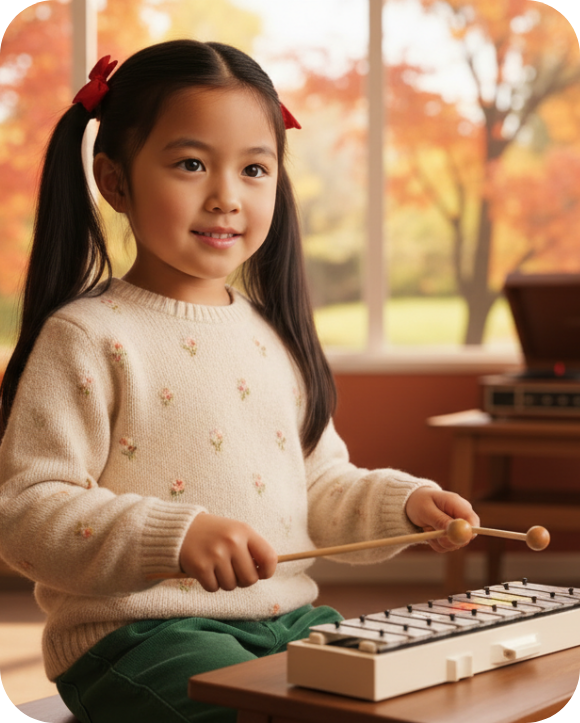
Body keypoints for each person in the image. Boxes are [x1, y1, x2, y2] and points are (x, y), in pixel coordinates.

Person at [0, 40, 479, 723]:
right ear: (114, 181)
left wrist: (406, 507)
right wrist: (174, 536)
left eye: (254, 168)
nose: (226, 196)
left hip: (287, 620)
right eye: (191, 163)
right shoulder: (87, 336)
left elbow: (320, 486)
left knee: (403, 697)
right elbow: (25, 511)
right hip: (140, 638)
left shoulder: (271, 336)